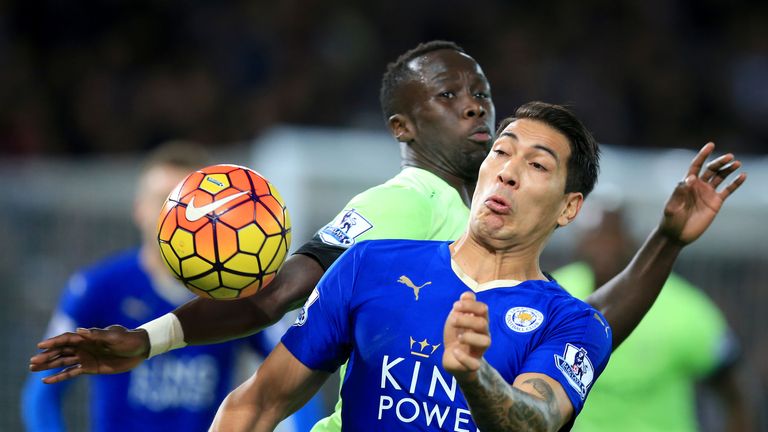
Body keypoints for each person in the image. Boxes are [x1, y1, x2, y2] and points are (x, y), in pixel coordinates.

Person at [29, 41, 746, 430]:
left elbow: (589, 332)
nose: (475, 112)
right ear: (403, 128)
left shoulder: (523, 267)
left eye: (482, 98)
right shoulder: (404, 206)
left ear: (567, 206)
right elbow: (269, 302)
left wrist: (665, 242)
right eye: (449, 97)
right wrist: (148, 340)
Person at [209, 101, 744, 431]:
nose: (508, 173)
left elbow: (536, 421)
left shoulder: (575, 325)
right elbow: (256, 405)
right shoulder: (370, 266)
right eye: (502, 152)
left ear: (568, 208)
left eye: (537, 165)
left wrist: (475, 374)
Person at [22, 142, 322, 432]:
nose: (173, 215)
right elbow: (41, 395)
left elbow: (295, 368)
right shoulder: (97, 287)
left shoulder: (239, 296)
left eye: (188, 204)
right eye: (162, 200)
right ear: (138, 209)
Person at [553, 206, 755, 431]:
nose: (603, 246)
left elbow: (735, 391)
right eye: (595, 235)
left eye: (612, 236)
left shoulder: (684, 309)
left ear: (631, 241)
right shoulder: (555, 298)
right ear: (579, 243)